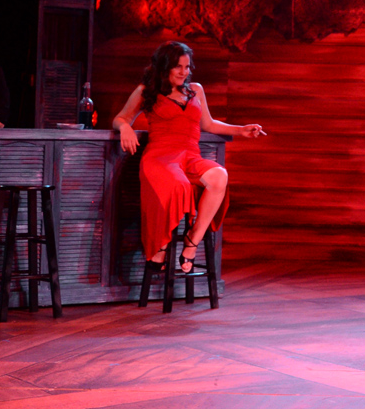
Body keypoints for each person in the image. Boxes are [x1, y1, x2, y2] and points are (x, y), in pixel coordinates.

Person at [113, 42, 267, 270]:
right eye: (178, 67)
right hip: (160, 158)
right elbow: (120, 118)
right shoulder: (146, 91)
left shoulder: (196, 90)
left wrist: (241, 130)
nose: (184, 72)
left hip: (190, 156)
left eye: (187, 67)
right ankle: (161, 247)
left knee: (219, 176)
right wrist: (125, 127)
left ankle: (193, 240)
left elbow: (209, 124)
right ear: (164, 67)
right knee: (179, 185)